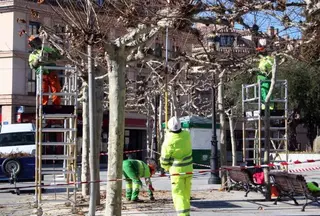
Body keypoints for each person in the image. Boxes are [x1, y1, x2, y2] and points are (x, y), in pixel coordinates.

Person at [160, 116, 193, 216]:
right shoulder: (186, 135)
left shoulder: (168, 141)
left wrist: (165, 167)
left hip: (176, 172)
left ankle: (183, 215)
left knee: (178, 194)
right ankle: (187, 214)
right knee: (186, 194)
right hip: (189, 169)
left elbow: (165, 158)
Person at [28, 35, 62, 105]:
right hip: (42, 74)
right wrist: (37, 61)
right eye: (35, 42)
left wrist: (51, 54)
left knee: (56, 89)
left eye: (37, 41)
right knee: (43, 90)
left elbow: (57, 56)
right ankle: (43, 105)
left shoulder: (46, 49)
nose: (37, 43)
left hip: (51, 72)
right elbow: (32, 66)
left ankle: (56, 105)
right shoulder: (32, 55)